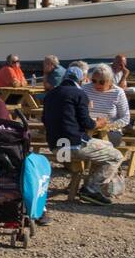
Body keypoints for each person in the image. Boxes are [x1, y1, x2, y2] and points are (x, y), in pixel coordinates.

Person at [42, 66, 124, 206]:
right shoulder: (79, 94)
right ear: (82, 79)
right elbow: (88, 124)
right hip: (73, 145)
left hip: (56, 146)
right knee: (116, 156)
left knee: (107, 145)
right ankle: (91, 189)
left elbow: (44, 119)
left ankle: (91, 185)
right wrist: (99, 123)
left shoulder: (51, 94)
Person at [81, 64, 131, 147]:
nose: (97, 85)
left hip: (110, 131)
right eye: (93, 81)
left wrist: (105, 126)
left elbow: (126, 118)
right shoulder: (84, 89)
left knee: (96, 145)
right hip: (86, 128)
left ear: (110, 81)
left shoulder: (118, 92)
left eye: (102, 82)